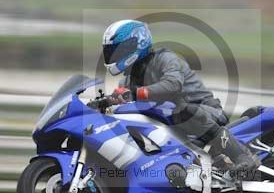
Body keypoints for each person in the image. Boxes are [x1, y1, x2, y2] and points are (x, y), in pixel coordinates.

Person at [101, 19, 259, 178]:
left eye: (117, 50)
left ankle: (242, 156)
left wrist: (136, 94)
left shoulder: (165, 58)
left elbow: (173, 85)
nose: (114, 55)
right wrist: (110, 102)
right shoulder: (127, 81)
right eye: (111, 51)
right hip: (177, 125)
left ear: (136, 43)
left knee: (179, 109)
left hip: (205, 112)